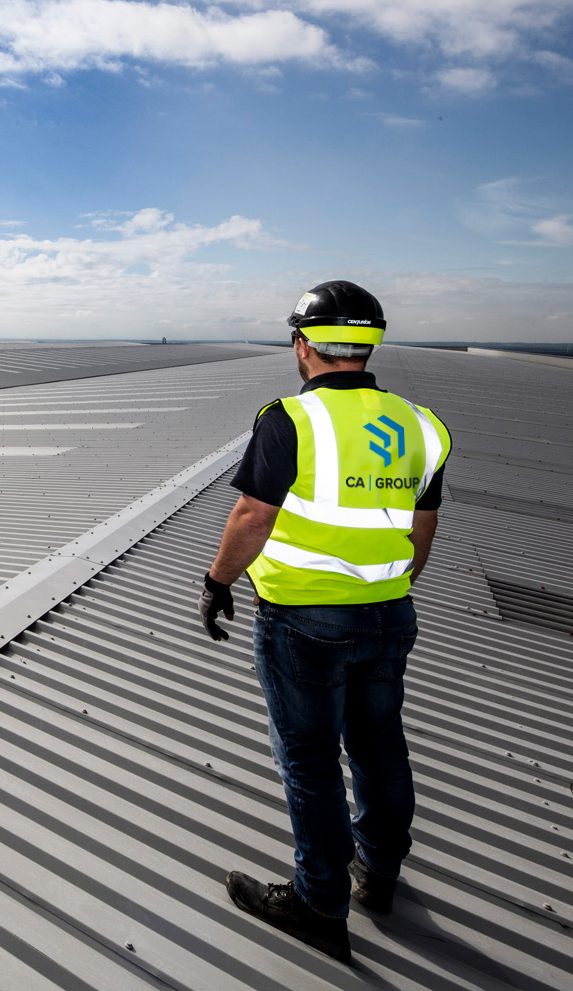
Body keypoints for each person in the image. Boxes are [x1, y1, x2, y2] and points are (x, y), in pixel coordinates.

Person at [198, 280, 451, 963]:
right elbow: (423, 527)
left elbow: (254, 516)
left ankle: (318, 902)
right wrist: (389, 591)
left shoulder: (289, 420)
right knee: (379, 747)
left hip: (304, 622)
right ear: (370, 343)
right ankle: (380, 876)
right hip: (390, 613)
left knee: (310, 761)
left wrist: (217, 582)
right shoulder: (421, 425)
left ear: (302, 345)